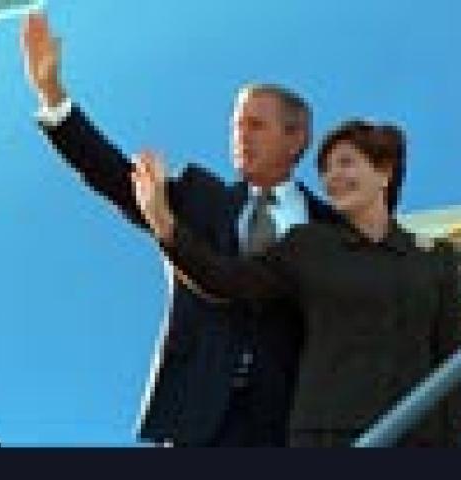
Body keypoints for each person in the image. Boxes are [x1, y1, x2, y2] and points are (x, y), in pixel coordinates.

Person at [20, 13, 342, 446]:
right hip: (198, 418)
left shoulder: (329, 227)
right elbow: (112, 174)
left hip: (289, 423)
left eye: (256, 125)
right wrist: (53, 96)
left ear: (297, 136)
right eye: (236, 125)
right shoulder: (196, 198)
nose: (241, 136)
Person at [131, 119, 461, 446]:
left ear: (384, 172)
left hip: (418, 437)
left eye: (346, 163)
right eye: (326, 170)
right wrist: (166, 226)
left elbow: (450, 361)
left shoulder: (436, 260)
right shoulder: (308, 247)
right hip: (325, 436)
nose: (333, 178)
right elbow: (228, 280)